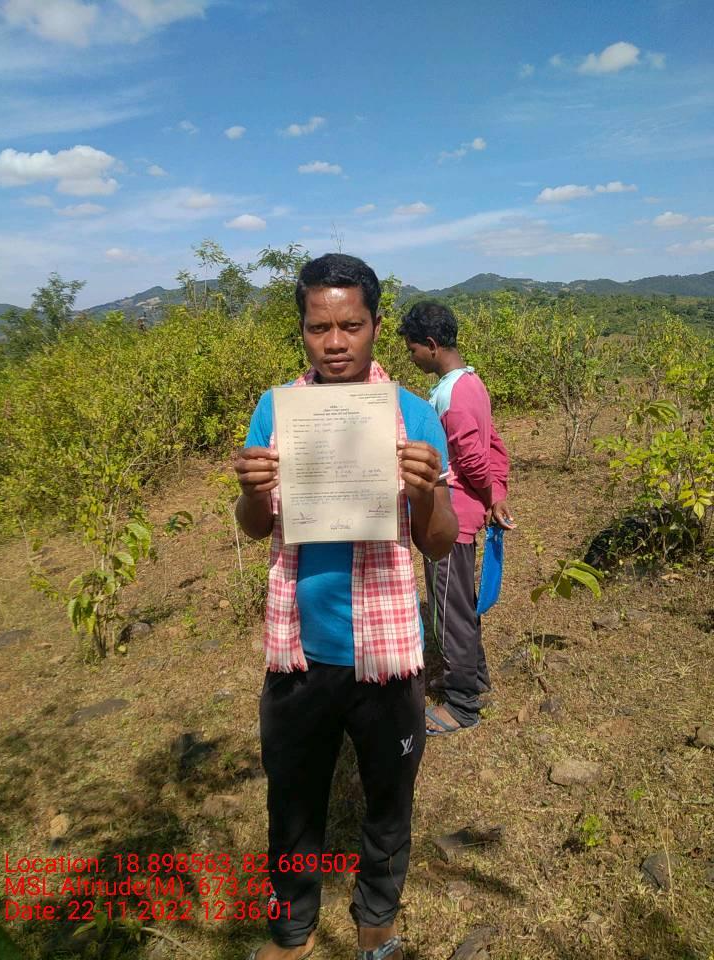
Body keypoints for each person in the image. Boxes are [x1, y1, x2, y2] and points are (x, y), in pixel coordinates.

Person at [234, 255, 458, 960]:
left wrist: (426, 492)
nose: (335, 343)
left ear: (377, 325)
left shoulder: (414, 415)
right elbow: (255, 526)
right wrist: (250, 491)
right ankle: (291, 931)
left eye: (351, 326)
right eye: (318, 327)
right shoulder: (278, 409)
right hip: (300, 649)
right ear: (302, 330)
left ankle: (376, 920)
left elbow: (439, 543)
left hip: (385, 650)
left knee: (389, 798)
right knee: (291, 801)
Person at [398, 300, 514, 736]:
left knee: (448, 612)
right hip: (465, 514)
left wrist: (489, 495)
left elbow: (472, 460)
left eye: (413, 350)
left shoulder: (451, 394)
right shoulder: (472, 383)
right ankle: (475, 679)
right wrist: (496, 495)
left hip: (452, 521)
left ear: (431, 345)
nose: (412, 358)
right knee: (461, 604)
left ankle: (462, 705)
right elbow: (494, 445)